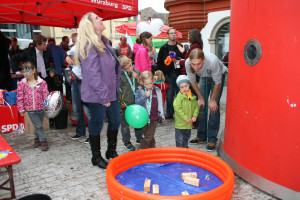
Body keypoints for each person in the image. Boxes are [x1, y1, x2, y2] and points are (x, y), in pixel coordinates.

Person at [74, 12, 121, 169]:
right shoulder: (88, 45)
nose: (101, 19)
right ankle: (96, 157)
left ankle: (111, 151)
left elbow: (113, 68)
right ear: (90, 25)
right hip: (98, 94)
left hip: (111, 91)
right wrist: (103, 96)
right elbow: (93, 75)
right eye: (96, 18)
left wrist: (114, 90)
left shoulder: (104, 42)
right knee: (96, 123)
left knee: (116, 120)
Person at [185, 48, 227, 151]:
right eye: (193, 64)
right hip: (204, 77)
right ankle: (201, 136)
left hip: (218, 77)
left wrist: (213, 100)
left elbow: (218, 83)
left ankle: (212, 139)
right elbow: (193, 82)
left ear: (203, 60)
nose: (196, 67)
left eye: (198, 64)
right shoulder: (187, 63)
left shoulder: (212, 61)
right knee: (201, 106)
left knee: (213, 108)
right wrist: (200, 98)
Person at [16, 62, 49, 151]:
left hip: (40, 108)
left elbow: (46, 95)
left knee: (38, 125)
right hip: (30, 109)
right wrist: (21, 108)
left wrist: (47, 105)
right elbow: (19, 97)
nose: (25, 73)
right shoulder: (21, 84)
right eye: (23, 71)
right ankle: (44, 141)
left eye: (27, 71)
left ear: (34, 70)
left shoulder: (42, 82)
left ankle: (36, 139)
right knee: (38, 126)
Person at [65, 34, 90, 144]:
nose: (74, 44)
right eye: (73, 42)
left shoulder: (87, 48)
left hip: (85, 81)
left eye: (76, 41)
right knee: (77, 108)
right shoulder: (75, 49)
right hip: (75, 81)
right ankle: (80, 131)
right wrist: (68, 58)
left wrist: (73, 58)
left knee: (88, 110)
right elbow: (68, 55)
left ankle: (92, 134)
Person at [157, 27, 183, 119]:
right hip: (168, 74)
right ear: (167, 35)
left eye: (174, 33)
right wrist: (163, 73)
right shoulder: (164, 48)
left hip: (179, 73)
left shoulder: (180, 46)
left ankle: (181, 113)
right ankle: (170, 113)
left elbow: (185, 58)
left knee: (181, 94)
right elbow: (159, 62)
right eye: (171, 33)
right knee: (170, 95)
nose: (173, 35)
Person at [118, 55, 143, 151]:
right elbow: (118, 91)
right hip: (125, 105)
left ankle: (139, 138)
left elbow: (142, 84)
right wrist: (120, 105)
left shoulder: (136, 72)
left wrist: (137, 79)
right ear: (122, 68)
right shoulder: (120, 76)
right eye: (127, 67)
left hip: (136, 102)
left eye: (130, 65)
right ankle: (126, 142)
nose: (130, 68)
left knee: (138, 122)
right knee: (125, 125)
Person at [135, 71, 165, 149]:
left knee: (149, 136)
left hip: (154, 117)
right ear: (142, 82)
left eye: (151, 83)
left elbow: (161, 102)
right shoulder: (139, 91)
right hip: (144, 117)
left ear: (153, 81)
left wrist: (162, 114)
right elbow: (137, 103)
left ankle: (141, 149)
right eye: (146, 84)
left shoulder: (157, 90)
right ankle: (152, 151)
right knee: (149, 136)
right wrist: (145, 96)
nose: (149, 86)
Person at [173, 75, 199, 148]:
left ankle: (185, 151)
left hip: (188, 124)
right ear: (179, 88)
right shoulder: (179, 98)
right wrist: (185, 118)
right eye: (182, 87)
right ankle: (179, 154)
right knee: (179, 140)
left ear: (189, 85)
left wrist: (194, 115)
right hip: (180, 125)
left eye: (186, 86)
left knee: (186, 138)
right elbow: (177, 108)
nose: (184, 89)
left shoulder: (193, 97)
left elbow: (196, 106)